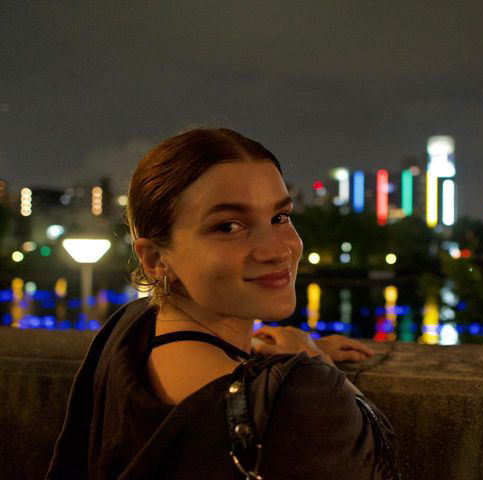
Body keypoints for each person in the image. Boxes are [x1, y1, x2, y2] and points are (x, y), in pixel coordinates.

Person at [46, 128, 399, 479]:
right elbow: (378, 458)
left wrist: (265, 356)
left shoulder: (130, 327)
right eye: (229, 227)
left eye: (280, 217)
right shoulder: (293, 399)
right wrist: (312, 364)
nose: (277, 250)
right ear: (155, 258)